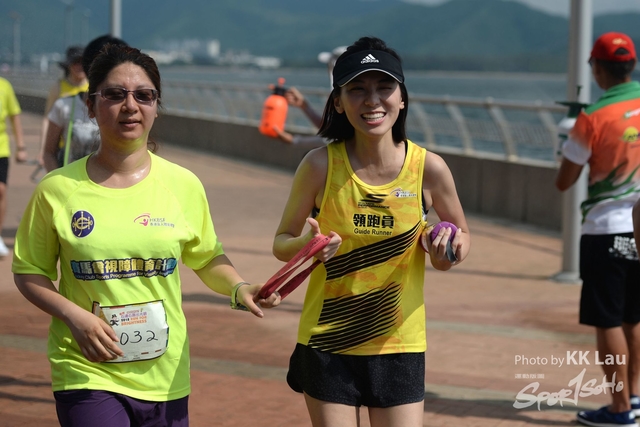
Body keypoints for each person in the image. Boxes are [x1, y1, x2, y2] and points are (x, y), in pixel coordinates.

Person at [12, 44, 280, 426]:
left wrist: (239, 287)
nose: (130, 106)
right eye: (114, 94)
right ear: (91, 106)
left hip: (165, 375)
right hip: (86, 367)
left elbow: (206, 257)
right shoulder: (56, 190)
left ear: (156, 107)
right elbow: (29, 271)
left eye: (144, 95)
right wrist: (74, 316)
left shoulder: (183, 185)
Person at [272, 36, 470, 427]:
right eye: (357, 89)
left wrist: (447, 249)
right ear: (338, 102)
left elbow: (458, 237)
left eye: (384, 87)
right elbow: (281, 243)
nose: (372, 100)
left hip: (399, 344)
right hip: (328, 340)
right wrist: (305, 246)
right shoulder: (319, 166)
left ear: (402, 98)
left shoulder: (429, 168)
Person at [555, 32, 640, 427]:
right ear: (632, 65)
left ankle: (620, 410)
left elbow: (565, 181)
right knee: (634, 317)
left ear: (598, 69)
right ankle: (634, 397)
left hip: (606, 229)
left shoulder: (593, 116)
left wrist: (568, 143)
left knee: (607, 320)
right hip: (639, 229)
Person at [41, 35, 128, 172]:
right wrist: (57, 180)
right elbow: (49, 149)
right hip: (70, 174)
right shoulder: (62, 98)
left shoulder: (131, 108)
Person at [272, 46, 346, 145]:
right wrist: (304, 105)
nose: (328, 68)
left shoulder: (344, 95)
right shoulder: (343, 91)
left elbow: (336, 137)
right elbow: (331, 127)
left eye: (330, 64)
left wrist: (294, 140)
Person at [39, 46, 88, 160]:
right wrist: (43, 150)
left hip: (90, 149)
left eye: (83, 62)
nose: (80, 66)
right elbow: (48, 119)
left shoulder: (94, 87)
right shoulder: (58, 87)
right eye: (76, 62)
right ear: (68, 65)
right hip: (64, 149)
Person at [0, 77, 27, 257]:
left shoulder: (4, 86)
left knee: (1, 190)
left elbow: (14, 116)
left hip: (1, 148)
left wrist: (21, 146)